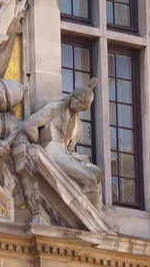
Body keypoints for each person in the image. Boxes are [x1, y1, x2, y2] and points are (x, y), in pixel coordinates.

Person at [20, 79, 103, 210]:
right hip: (51, 150)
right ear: (73, 96)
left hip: (63, 154)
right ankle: (96, 216)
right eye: (77, 99)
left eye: (82, 103)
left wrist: (77, 158)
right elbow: (29, 125)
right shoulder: (54, 108)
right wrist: (39, 144)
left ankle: (89, 212)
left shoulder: (78, 125)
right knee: (90, 179)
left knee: (97, 173)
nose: (78, 103)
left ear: (84, 107)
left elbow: (69, 149)